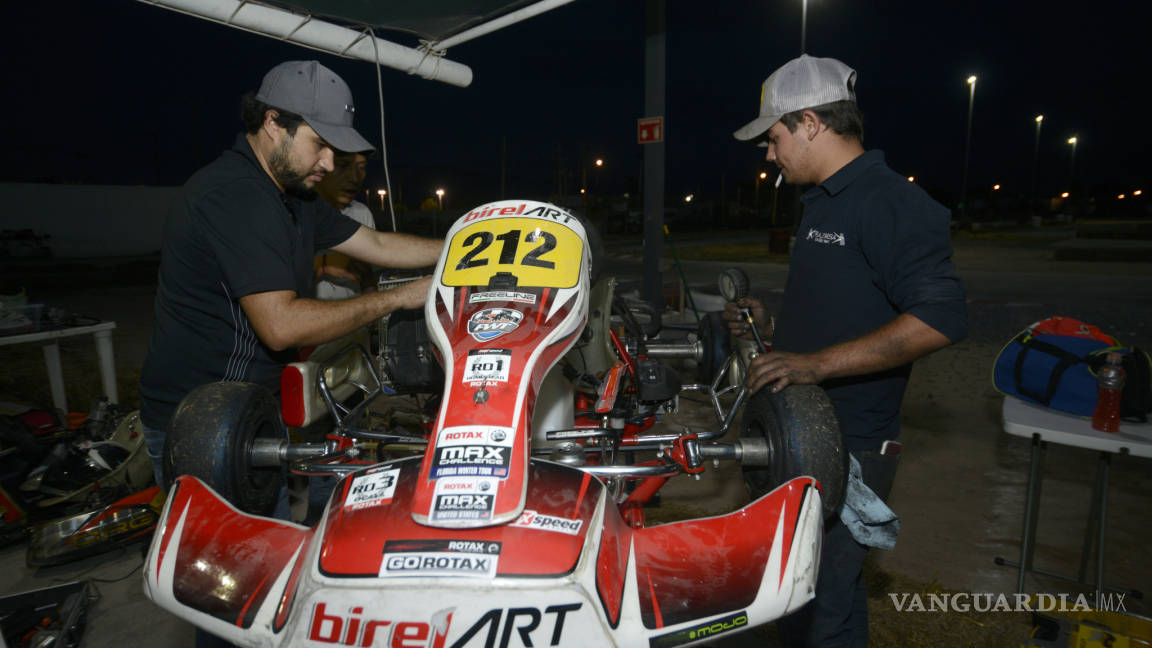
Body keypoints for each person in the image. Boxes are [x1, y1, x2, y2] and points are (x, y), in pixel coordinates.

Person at [726, 54, 967, 647]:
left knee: (817, 613)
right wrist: (776, 329)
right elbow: (847, 309)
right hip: (805, 433)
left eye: (774, 136)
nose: (769, 153)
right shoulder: (822, 203)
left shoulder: (890, 203)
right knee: (821, 600)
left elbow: (941, 319)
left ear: (810, 123)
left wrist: (813, 365)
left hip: (850, 448)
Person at [139, 60, 442, 488]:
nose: (329, 161)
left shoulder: (295, 192)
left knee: (271, 543)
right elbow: (281, 325)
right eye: (319, 143)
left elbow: (374, 245)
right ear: (273, 124)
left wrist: (469, 245)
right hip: (198, 417)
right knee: (228, 554)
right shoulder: (236, 195)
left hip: (250, 406)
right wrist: (397, 298)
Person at [313, 149, 377, 299]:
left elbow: (367, 273)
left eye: (361, 168)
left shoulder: (362, 214)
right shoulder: (293, 211)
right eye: (343, 165)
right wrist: (322, 266)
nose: (354, 177)